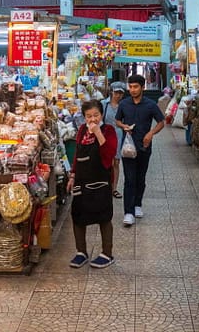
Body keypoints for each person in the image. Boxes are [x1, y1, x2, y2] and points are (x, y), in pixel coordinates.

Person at [67, 99, 117, 268]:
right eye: (89, 116)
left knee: (103, 216)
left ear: (101, 115)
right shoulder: (81, 130)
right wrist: (73, 176)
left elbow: (109, 153)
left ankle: (107, 253)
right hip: (82, 180)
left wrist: (97, 132)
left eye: (96, 115)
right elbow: (76, 155)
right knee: (78, 216)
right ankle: (81, 251)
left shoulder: (108, 130)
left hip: (100, 181)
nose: (92, 119)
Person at [115, 74, 165, 226]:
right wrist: (124, 127)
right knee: (129, 179)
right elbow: (118, 120)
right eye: (130, 87)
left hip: (144, 146)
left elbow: (161, 122)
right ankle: (128, 212)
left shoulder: (150, 105)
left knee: (140, 177)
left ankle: (137, 204)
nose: (133, 90)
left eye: (136, 87)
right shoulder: (124, 104)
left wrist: (151, 133)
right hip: (128, 147)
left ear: (143, 87)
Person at [102, 82, 127, 198]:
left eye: (120, 93)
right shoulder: (104, 104)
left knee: (116, 162)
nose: (118, 95)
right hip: (105, 135)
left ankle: (114, 188)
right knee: (105, 161)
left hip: (118, 135)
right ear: (111, 92)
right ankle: (104, 186)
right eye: (116, 92)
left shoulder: (124, 106)